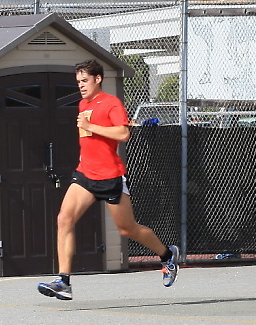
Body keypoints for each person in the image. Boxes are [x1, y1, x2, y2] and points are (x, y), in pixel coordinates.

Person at [37, 59, 180, 300]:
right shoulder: (83, 104)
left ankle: (167, 255)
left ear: (98, 79)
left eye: (85, 80)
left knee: (127, 229)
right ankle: (63, 281)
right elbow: (88, 139)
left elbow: (123, 133)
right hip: (85, 174)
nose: (81, 85)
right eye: (78, 81)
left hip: (110, 176)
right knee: (64, 219)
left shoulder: (111, 103)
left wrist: (91, 126)